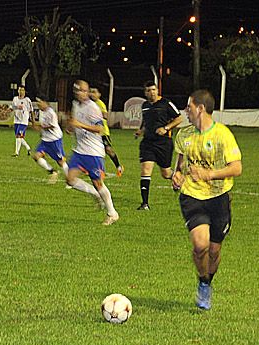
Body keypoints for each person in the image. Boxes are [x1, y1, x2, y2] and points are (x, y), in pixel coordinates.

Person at [172, 89, 242, 310]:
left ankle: (207, 281)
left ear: (200, 108)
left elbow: (237, 168)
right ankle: (203, 283)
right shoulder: (183, 135)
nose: (186, 111)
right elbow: (180, 164)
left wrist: (209, 174)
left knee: (214, 251)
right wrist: (177, 176)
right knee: (200, 245)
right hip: (192, 195)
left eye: (189, 107)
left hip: (219, 198)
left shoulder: (222, 134)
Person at [65, 80, 119, 225]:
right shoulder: (75, 104)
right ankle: (95, 194)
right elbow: (74, 123)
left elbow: (99, 129)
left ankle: (112, 213)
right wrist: (71, 128)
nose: (81, 93)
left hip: (93, 152)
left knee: (98, 183)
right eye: (78, 91)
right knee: (70, 179)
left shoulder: (93, 108)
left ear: (87, 91)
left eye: (83, 90)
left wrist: (80, 125)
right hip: (79, 150)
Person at [134, 81, 183, 210]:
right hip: (148, 143)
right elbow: (146, 121)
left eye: (154, 89)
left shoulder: (166, 103)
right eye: (149, 90)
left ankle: (180, 180)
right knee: (145, 170)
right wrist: (141, 131)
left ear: (157, 90)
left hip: (163, 143)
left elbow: (179, 118)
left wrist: (166, 128)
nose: (152, 92)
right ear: (145, 93)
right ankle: (145, 204)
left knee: (166, 173)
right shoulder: (144, 105)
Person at [31, 96, 69, 184]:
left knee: (60, 161)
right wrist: (41, 131)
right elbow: (43, 125)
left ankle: (70, 181)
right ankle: (53, 171)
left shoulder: (51, 113)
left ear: (45, 103)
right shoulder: (41, 112)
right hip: (45, 141)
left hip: (54, 140)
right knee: (36, 156)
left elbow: (52, 125)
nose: (38, 104)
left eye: (40, 102)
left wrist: (40, 127)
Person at [89, 87, 124, 177]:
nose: (92, 94)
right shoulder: (89, 104)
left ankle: (119, 166)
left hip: (103, 132)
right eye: (90, 92)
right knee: (93, 150)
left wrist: (96, 114)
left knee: (108, 150)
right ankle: (97, 169)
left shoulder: (99, 104)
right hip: (93, 132)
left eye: (94, 92)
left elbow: (105, 116)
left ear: (99, 94)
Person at [12, 85, 33, 157]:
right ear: (18, 91)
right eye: (20, 90)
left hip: (23, 121)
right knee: (19, 137)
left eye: (22, 90)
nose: (21, 91)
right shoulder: (15, 99)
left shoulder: (27, 100)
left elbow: (31, 110)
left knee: (18, 135)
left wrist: (33, 121)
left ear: (24, 92)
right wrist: (16, 107)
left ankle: (16, 153)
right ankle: (28, 148)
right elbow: (13, 107)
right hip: (16, 120)